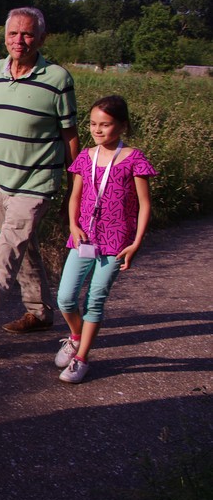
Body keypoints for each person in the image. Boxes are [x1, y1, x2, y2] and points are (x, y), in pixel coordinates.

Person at [0, 7, 80, 349]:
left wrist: (77, 188)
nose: (19, 40)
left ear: (41, 38)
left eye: (27, 34)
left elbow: (70, 136)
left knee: (5, 255)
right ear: (5, 36)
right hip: (2, 179)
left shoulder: (57, 79)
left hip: (36, 184)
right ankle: (39, 312)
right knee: (24, 247)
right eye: (13, 33)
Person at [54, 95, 155, 383]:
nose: (97, 130)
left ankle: (82, 358)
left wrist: (136, 243)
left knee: (95, 300)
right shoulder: (86, 157)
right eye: (93, 124)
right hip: (84, 239)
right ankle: (76, 336)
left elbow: (145, 204)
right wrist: (73, 225)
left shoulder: (134, 158)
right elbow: (75, 196)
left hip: (117, 243)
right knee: (65, 298)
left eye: (105, 124)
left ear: (122, 126)